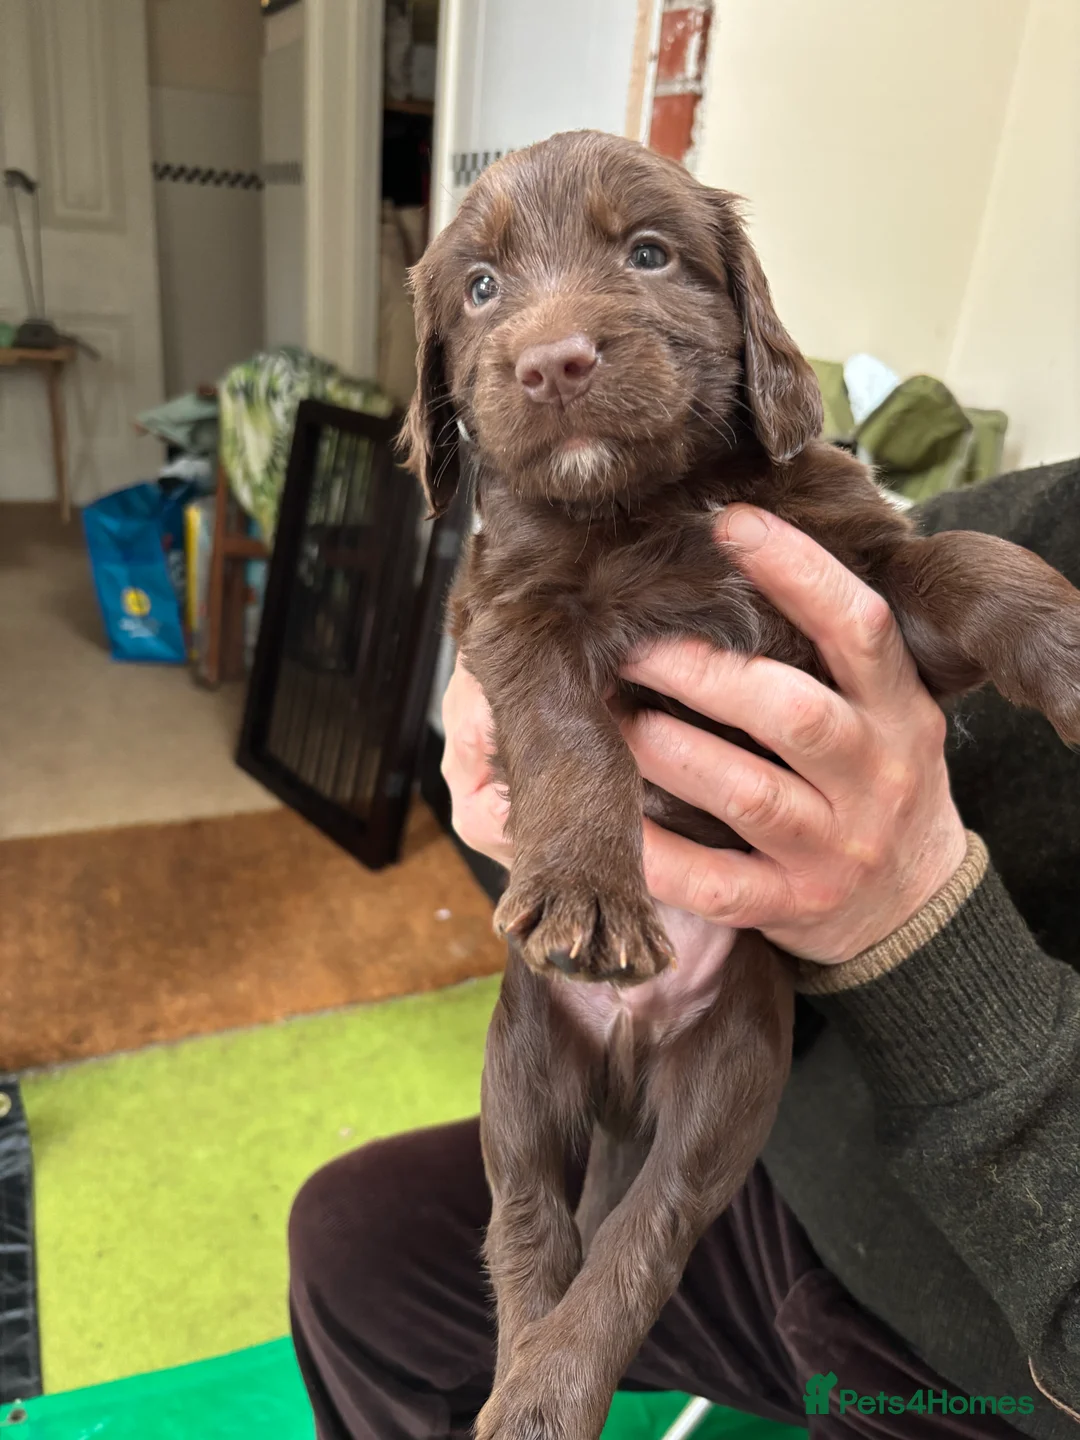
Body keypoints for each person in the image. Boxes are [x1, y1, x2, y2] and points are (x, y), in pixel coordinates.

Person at [288, 460, 1080, 1438]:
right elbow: (889, 595)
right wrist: (521, 746)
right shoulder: (1041, 514)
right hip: (791, 1154)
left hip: (995, 1364)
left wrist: (909, 920)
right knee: (352, 1245)